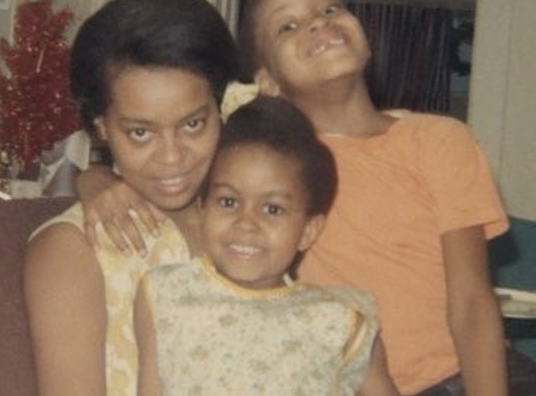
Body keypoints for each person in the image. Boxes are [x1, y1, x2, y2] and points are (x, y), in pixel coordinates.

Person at [78, 0, 536, 396]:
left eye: (330, 8)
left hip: (470, 375)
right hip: (354, 378)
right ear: (264, 82)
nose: (316, 23)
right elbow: (164, 143)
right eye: (287, 26)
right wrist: (95, 178)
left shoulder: (439, 140)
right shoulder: (258, 153)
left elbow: (472, 302)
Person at [23, 0, 238, 396]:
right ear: (101, 126)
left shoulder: (241, 219)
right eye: (141, 132)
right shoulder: (72, 249)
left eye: (193, 124)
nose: (172, 157)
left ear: (221, 107)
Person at [134, 96, 400, 395]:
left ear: (307, 232)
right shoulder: (166, 295)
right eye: (229, 202)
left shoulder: (339, 321)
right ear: (203, 208)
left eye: (272, 209)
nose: (246, 223)